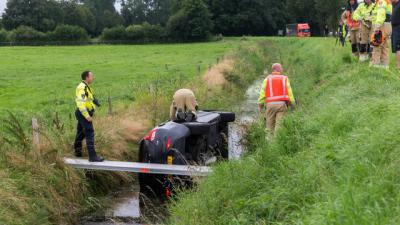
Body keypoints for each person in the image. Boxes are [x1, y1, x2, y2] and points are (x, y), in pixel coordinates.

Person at [73, 71, 104, 162]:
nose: (93, 78)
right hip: (83, 113)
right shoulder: (82, 88)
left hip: (82, 113)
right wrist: (86, 116)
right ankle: (92, 157)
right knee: (89, 132)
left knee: (81, 133)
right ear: (87, 77)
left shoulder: (86, 86)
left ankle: (77, 152)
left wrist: (95, 102)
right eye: (91, 76)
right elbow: (81, 103)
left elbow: (89, 97)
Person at [258, 63, 295, 136]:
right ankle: (277, 142)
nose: (282, 69)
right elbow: (289, 92)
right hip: (281, 105)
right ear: (278, 69)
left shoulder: (267, 79)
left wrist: (260, 105)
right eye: (281, 68)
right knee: (279, 126)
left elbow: (262, 94)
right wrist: (293, 105)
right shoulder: (285, 78)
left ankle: (269, 144)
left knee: (269, 127)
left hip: (270, 105)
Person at [370, 0, 392, 69]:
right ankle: (385, 65)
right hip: (388, 25)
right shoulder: (388, 1)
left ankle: (375, 64)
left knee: (377, 45)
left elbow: (381, 13)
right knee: (385, 46)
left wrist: (377, 26)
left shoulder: (381, 1)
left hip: (382, 25)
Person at [392, 0, 400, 69]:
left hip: (398, 27)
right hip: (395, 28)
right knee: (397, 47)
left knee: (398, 47)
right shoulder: (394, 4)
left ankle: (398, 66)